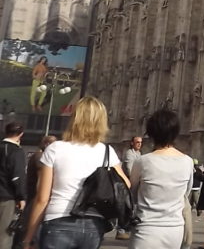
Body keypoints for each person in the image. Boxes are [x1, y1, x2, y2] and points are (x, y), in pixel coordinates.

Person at [22, 96, 128, 249]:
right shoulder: (106, 151)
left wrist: (28, 238)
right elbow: (125, 184)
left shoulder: (55, 148)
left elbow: (42, 198)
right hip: (93, 224)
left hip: (58, 220)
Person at [127, 109, 194, 248]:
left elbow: (132, 193)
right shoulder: (187, 161)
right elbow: (186, 194)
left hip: (146, 229)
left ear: (151, 134)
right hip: (175, 230)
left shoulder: (143, 161)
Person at [0, 122, 26, 249]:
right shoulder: (16, 151)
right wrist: (21, 197)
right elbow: (17, 176)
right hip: (7, 197)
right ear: (21, 134)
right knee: (4, 234)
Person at [116, 135, 144, 240]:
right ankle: (121, 230)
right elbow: (129, 169)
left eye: (141, 142)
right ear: (132, 143)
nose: (139, 144)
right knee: (126, 206)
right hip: (128, 183)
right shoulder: (129, 153)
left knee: (131, 206)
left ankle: (126, 229)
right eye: (137, 142)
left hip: (134, 183)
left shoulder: (138, 154)